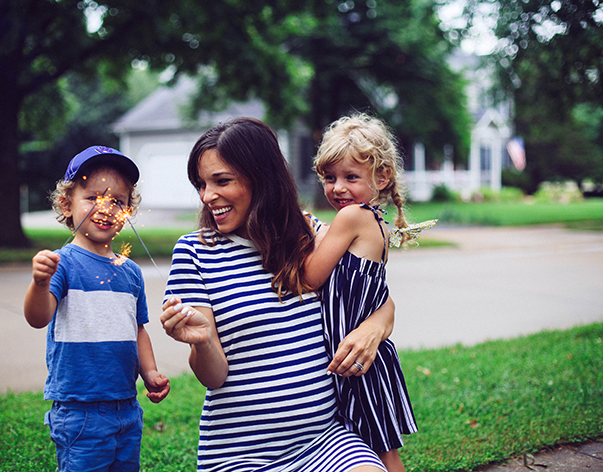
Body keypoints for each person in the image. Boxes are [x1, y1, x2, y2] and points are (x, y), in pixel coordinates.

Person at [160, 117, 396, 472]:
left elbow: (371, 293)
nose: (208, 196)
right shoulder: (195, 251)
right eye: (201, 184)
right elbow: (213, 377)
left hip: (326, 441)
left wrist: (374, 328)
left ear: (261, 177)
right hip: (239, 454)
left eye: (222, 181)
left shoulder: (309, 233)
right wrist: (204, 341)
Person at [24, 146, 171, 472]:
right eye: (92, 198)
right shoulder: (62, 265)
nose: (105, 208)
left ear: (128, 211)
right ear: (67, 204)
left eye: (117, 201)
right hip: (80, 410)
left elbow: (138, 328)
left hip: (126, 407)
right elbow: (38, 318)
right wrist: (39, 282)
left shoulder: (130, 271)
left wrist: (149, 373)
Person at [304, 113, 423, 472]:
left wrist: (310, 229)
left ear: (382, 176)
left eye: (350, 177)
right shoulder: (377, 221)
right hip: (368, 359)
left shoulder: (351, 217)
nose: (338, 187)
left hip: (359, 364)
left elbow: (310, 277)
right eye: (330, 177)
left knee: (383, 454)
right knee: (379, 450)